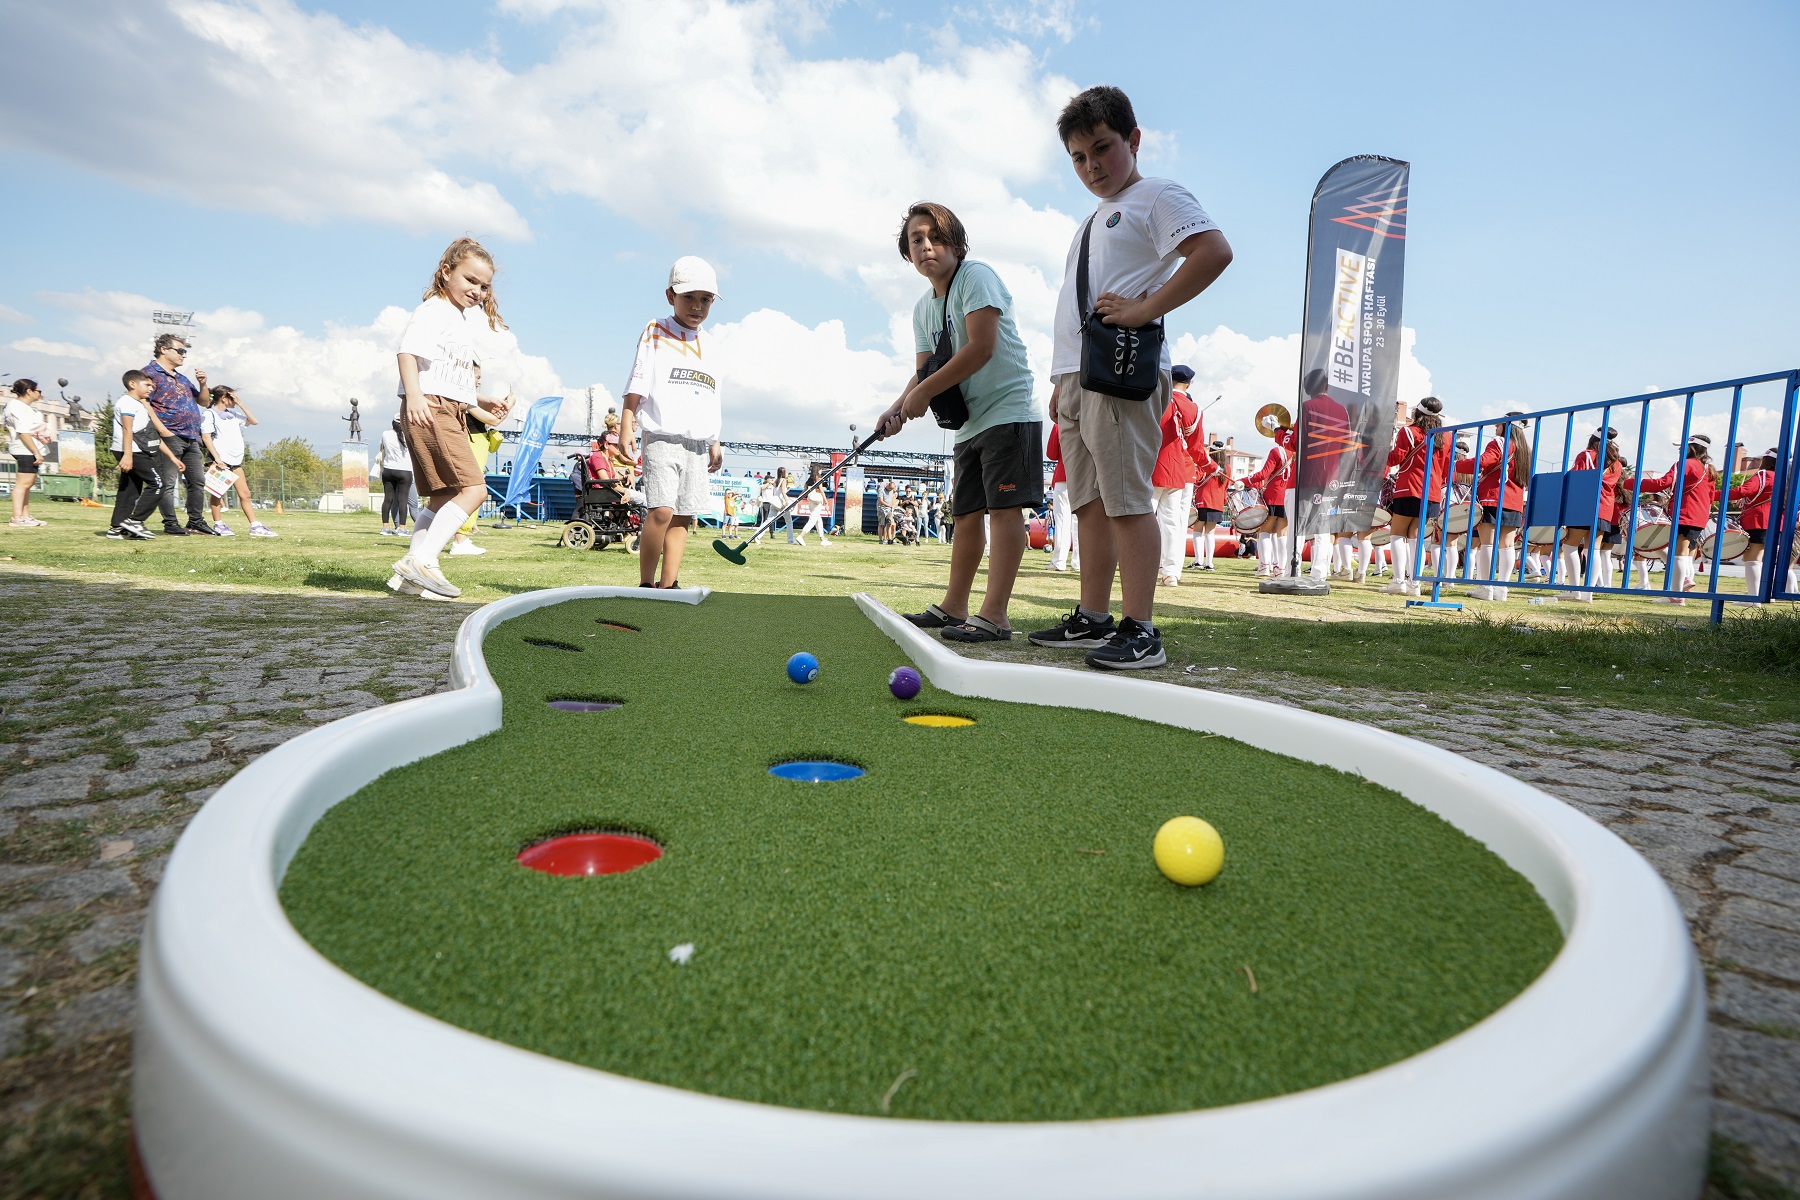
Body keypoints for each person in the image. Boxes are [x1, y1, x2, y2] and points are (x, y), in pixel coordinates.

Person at [1030, 86, 1232, 669]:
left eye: (1102, 148)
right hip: (1077, 375)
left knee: (1126, 500)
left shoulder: (1156, 194)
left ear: (1134, 140)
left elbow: (1213, 251)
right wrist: (1060, 378)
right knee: (1087, 500)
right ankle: (1093, 616)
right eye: (1078, 157)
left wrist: (1146, 309)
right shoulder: (1093, 217)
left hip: (1121, 370)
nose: (1091, 166)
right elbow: (1078, 300)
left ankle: (1141, 628)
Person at [876, 200, 1044, 642]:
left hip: (1008, 409)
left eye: (935, 236)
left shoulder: (976, 276)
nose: (926, 246)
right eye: (916, 240)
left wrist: (923, 393)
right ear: (907, 253)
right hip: (970, 422)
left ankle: (995, 616)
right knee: (967, 514)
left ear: (956, 242)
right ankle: (954, 607)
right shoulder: (922, 308)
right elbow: (926, 369)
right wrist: (898, 406)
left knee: (1005, 510)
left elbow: (981, 347)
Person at [390, 237, 513, 599]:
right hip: (432, 408)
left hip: (448, 407)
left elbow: (447, 376)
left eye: (484, 285)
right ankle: (423, 561)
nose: (477, 290)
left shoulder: (457, 318)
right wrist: (414, 396)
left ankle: (411, 574)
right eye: (470, 280)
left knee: (443, 498)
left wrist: (483, 400)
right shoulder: (435, 310)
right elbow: (407, 352)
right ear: (446, 273)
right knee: (474, 490)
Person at [620, 256, 726, 589]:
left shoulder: (712, 344)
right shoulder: (656, 330)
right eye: (689, 297)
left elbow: (712, 394)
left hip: (696, 442)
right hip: (661, 436)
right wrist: (626, 423)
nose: (697, 306)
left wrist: (714, 440)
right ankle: (646, 584)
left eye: (705, 299)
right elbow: (637, 379)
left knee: (683, 514)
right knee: (662, 510)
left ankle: (670, 585)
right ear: (671, 296)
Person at [142, 332, 214, 535]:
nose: (184, 355)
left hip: (191, 437)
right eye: (180, 351)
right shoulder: (149, 374)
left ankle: (195, 521)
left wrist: (202, 384)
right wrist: (162, 430)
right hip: (168, 436)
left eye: (185, 351)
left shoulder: (182, 379)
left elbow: (204, 402)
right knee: (168, 482)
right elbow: (144, 403)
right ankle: (170, 524)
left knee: (197, 482)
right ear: (164, 350)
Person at [1455, 414, 1531, 601]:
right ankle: (1502, 589)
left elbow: (1483, 461)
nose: (1496, 427)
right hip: (1514, 501)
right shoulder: (1525, 450)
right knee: (1507, 546)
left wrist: (1456, 464)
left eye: (1498, 424)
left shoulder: (1500, 442)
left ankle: (1486, 587)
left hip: (1492, 496)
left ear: (1507, 426)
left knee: (1487, 544)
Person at [1638, 433, 1721, 605]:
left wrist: (1631, 483)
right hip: (1698, 516)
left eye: (1683, 446)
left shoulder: (1686, 463)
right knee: (1680, 554)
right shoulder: (1708, 468)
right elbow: (1711, 496)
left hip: (1685, 514)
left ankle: (1676, 596)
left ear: (1691, 447)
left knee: (1679, 555)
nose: (1680, 449)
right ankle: (1679, 590)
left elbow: (1662, 483)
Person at [1380, 396, 1450, 597]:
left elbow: (1396, 457)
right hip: (1432, 492)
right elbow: (1446, 468)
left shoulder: (1408, 432)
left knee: (1396, 534)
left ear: (1417, 412)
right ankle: (1414, 584)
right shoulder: (1446, 437)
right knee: (1415, 539)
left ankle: (1398, 581)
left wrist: (1380, 452)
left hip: (1409, 488)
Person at [1151, 364, 1207, 586]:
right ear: (1189, 384)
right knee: (1172, 523)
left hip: (1153, 466)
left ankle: (1141, 565)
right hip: (1177, 471)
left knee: (1144, 519)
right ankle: (1171, 572)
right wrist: (1210, 465)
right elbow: (1196, 449)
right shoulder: (1195, 409)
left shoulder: (1156, 400)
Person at [1555, 427, 1625, 602]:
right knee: (1593, 549)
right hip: (1605, 508)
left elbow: (1575, 479)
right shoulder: (1617, 463)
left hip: (1583, 505)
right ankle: (1588, 593)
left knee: (1569, 546)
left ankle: (1574, 590)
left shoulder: (1586, 455)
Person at [105, 369, 175, 540]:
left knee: (130, 489)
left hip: (134, 449)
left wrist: (172, 457)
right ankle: (136, 521)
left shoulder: (139, 404)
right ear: (132, 384)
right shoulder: (127, 403)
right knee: (157, 484)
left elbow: (149, 434)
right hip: (132, 450)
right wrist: (127, 455)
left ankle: (116, 528)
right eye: (147, 385)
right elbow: (127, 430)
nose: (151, 388)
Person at [199, 386, 275, 537]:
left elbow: (254, 421)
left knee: (245, 494)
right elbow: (206, 437)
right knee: (217, 493)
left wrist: (240, 403)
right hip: (220, 461)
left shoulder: (233, 415)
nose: (234, 401)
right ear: (223, 398)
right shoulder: (209, 415)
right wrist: (217, 458)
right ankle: (218, 524)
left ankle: (255, 526)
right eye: (232, 398)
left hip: (235, 461)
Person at [1243, 424, 1294, 576]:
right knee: (1282, 533)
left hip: (1272, 495)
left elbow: (1264, 474)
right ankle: (1281, 568)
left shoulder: (1276, 451)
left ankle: (1265, 566)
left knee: (1264, 531)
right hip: (1288, 494)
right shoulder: (1297, 451)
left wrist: (1244, 480)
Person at [1728, 448, 1779, 596]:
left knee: (1752, 558)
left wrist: (1716, 495)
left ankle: (1754, 596)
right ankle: (1765, 594)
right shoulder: (1783, 477)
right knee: (1765, 559)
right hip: (1775, 521)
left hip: (1759, 520)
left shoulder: (1764, 474)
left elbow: (1745, 490)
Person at [5, 379, 49, 527]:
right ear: (29, 391)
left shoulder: (21, 407)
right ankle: (17, 517)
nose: (41, 394)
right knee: (23, 483)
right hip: (24, 448)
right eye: (39, 391)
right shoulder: (18, 407)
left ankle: (25, 516)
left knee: (28, 483)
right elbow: (22, 431)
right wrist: (36, 452)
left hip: (26, 447)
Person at [1045, 423, 1080, 572]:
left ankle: (1059, 561)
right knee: (1079, 522)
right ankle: (1078, 562)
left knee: (1062, 521)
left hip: (1063, 475)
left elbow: (1051, 454)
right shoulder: (1089, 418)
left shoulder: (1059, 425)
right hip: (1083, 477)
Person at [1189, 438, 1227, 570]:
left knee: (1198, 530)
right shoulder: (1227, 467)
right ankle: (1209, 563)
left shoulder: (1205, 464)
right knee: (1210, 533)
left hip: (1203, 500)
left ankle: (1199, 561)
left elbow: (1197, 479)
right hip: (1217, 503)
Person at [376, 415, 414, 536]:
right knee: (403, 500)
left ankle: (385, 527)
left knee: (388, 499)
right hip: (404, 470)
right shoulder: (409, 434)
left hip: (388, 469)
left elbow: (381, 449)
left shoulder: (385, 434)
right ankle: (402, 528)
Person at [796, 469, 832, 546]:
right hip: (817, 502)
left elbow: (804, 490)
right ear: (818, 470)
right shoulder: (819, 480)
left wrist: (799, 498)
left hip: (811, 502)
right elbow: (822, 491)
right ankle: (801, 536)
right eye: (820, 469)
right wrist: (826, 502)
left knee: (818, 520)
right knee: (812, 520)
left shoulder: (809, 480)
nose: (821, 471)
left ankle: (822, 539)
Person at [876, 477, 899, 544]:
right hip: (881, 509)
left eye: (892, 489)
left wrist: (892, 505)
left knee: (889, 523)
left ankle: (889, 539)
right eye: (890, 489)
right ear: (888, 486)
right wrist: (889, 505)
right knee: (881, 524)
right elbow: (880, 501)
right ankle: (880, 539)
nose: (891, 490)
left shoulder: (891, 490)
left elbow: (892, 498)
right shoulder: (881, 489)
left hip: (889, 510)